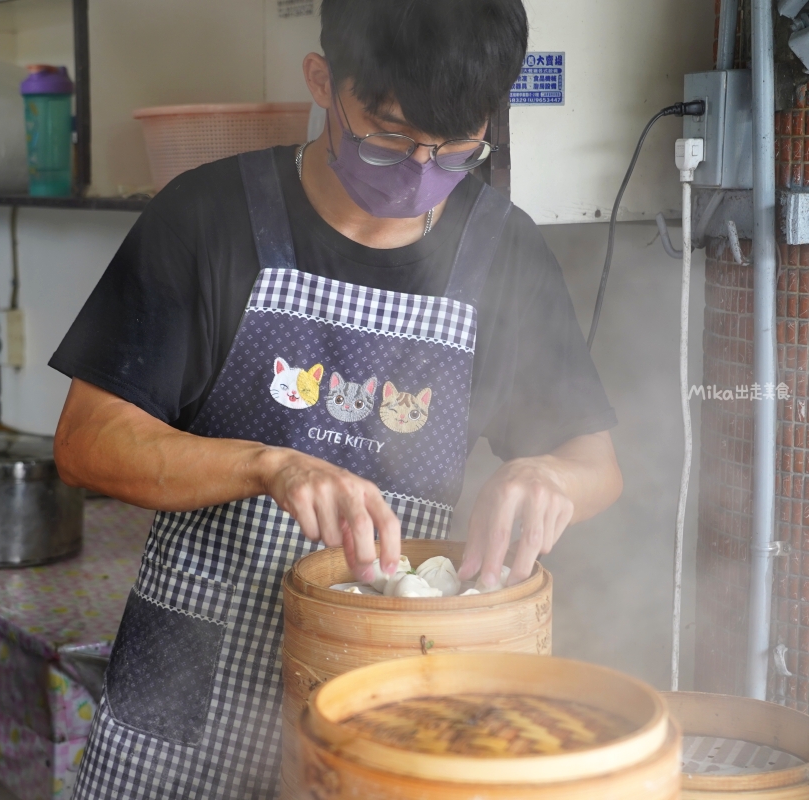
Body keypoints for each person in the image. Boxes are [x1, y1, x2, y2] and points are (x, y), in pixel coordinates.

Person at [49, 0, 624, 795]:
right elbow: (87, 442)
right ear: (322, 81)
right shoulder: (207, 217)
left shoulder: (506, 253)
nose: (421, 175)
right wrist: (269, 466)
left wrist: (552, 478)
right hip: (191, 694)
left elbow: (595, 462)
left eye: (454, 151)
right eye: (388, 137)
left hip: (378, 702)